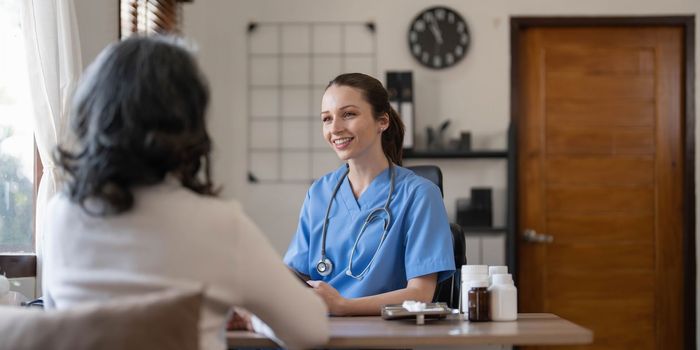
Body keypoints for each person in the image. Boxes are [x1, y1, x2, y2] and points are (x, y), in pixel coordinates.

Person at [42, 36, 328, 350]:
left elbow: (58, 322)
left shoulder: (60, 214)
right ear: (188, 122)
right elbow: (309, 330)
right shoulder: (219, 223)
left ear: (92, 111)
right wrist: (250, 314)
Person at [284, 73, 455, 316]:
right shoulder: (320, 192)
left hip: (382, 333)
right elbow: (296, 274)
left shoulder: (419, 195)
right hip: (319, 329)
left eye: (349, 114)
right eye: (326, 119)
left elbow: (420, 293)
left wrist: (343, 307)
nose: (335, 128)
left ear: (382, 121)